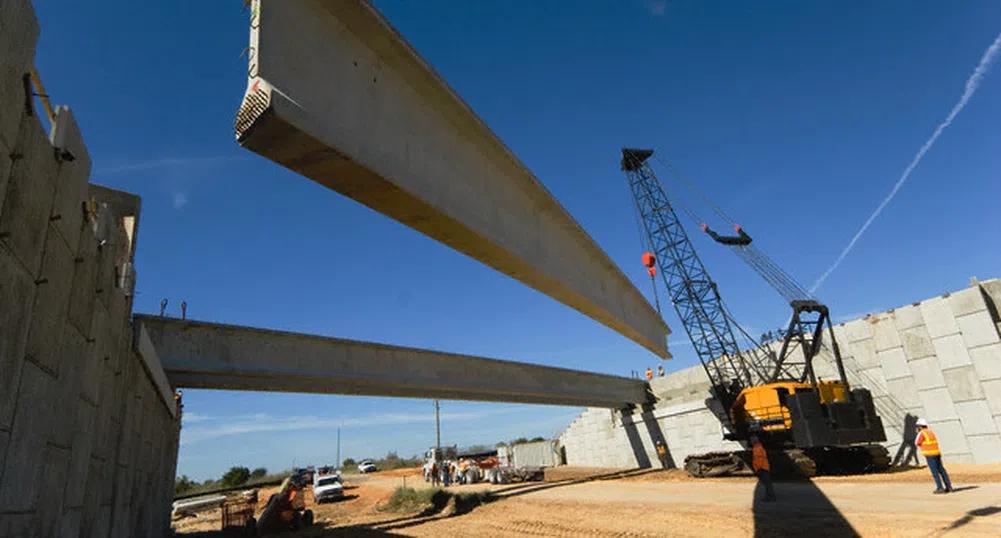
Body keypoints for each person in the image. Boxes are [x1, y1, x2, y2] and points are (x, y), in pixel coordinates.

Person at [914, 418, 952, 494]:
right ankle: (949, 487)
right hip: (937, 453)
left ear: (920, 426)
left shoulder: (922, 433)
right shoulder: (931, 432)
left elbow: (917, 442)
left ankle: (940, 488)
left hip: (930, 455)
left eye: (918, 426)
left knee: (935, 472)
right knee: (942, 470)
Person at [750, 435, 776, 502]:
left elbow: (759, 459)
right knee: (767, 483)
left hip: (762, 468)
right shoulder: (759, 447)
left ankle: (771, 497)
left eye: (751, 440)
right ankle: (768, 497)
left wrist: (758, 468)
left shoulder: (757, 448)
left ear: (754, 441)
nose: (751, 441)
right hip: (764, 467)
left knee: (767, 484)